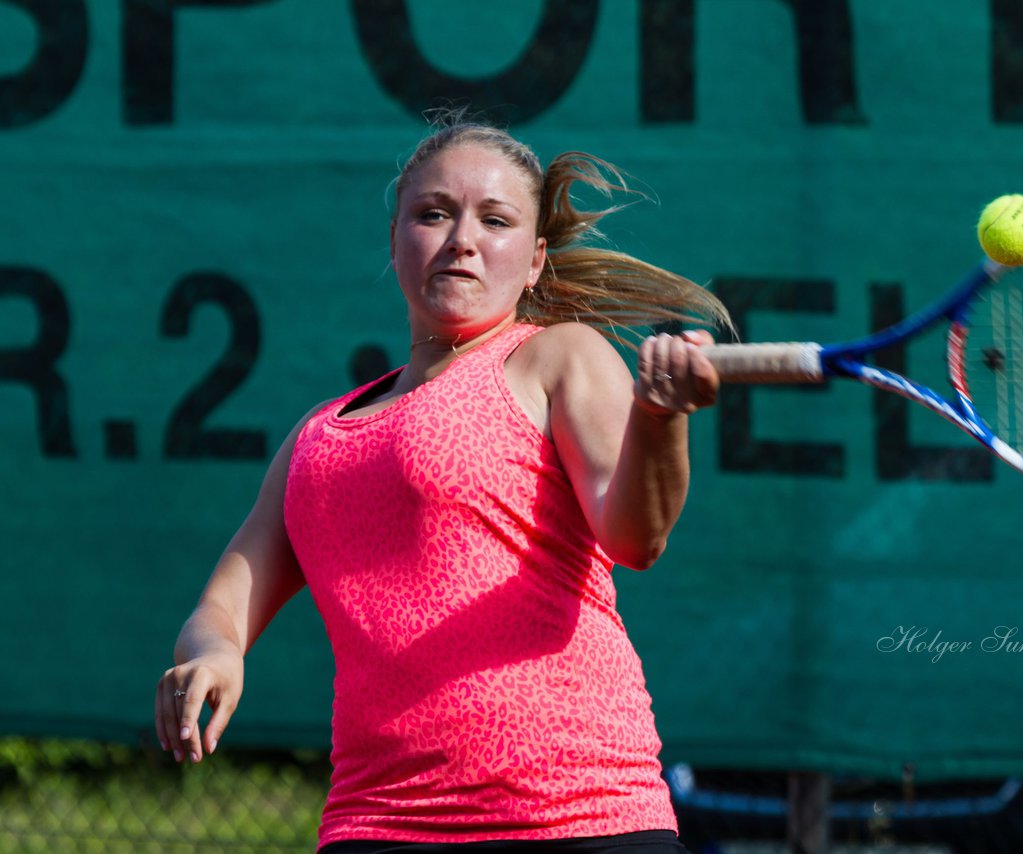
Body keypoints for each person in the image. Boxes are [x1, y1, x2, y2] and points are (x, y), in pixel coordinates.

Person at [154, 114, 732, 853]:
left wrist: (659, 418)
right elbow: (223, 605)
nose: (462, 237)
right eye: (433, 213)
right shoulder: (317, 437)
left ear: (534, 261)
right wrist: (212, 653)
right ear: (394, 242)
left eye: (495, 220)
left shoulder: (557, 358)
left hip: (580, 815)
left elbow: (637, 536)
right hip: (376, 824)